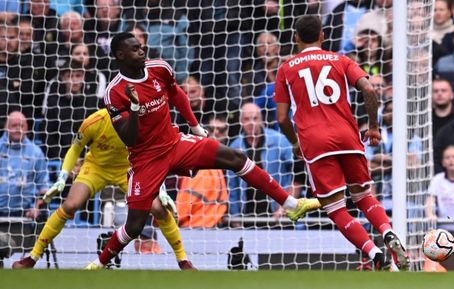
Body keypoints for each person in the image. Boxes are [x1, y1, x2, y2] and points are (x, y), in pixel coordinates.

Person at [86, 32, 320, 269]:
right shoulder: (114, 92)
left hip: (175, 144)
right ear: (120, 55)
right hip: (146, 160)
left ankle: (291, 204)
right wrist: (135, 107)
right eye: (135, 49)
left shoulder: (159, 68)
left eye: (141, 46)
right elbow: (129, 137)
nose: (142, 51)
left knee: (236, 158)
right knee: (135, 225)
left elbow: (176, 94)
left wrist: (196, 126)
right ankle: (97, 264)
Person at [274, 15, 409, 270]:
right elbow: (368, 89)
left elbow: (281, 118)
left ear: (295, 38)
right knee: (364, 196)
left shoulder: (286, 68)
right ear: (323, 36)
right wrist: (373, 127)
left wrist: (295, 143)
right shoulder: (341, 60)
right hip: (348, 136)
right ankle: (388, 233)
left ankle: (373, 253)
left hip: (315, 143)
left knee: (336, 207)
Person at [12, 108, 193, 269]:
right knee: (70, 205)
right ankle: (33, 257)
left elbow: (154, 156)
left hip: (128, 169)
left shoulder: (144, 123)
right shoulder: (95, 121)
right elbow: (76, 148)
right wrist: (61, 178)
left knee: (158, 208)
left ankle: (182, 259)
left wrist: (160, 189)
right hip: (96, 168)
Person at [227, 103, 294, 219]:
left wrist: (285, 206)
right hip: (247, 214)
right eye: (246, 119)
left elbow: (296, 175)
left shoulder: (279, 141)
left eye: (255, 118)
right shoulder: (235, 147)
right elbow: (232, 187)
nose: (251, 123)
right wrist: (235, 217)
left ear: (261, 119)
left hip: (278, 212)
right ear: (241, 121)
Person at [0, 111, 47, 219]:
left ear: (27, 128)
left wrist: (37, 208)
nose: (18, 129)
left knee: (43, 215)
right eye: (14, 125)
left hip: (23, 214)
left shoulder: (35, 152)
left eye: (22, 125)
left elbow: (44, 186)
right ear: (6, 128)